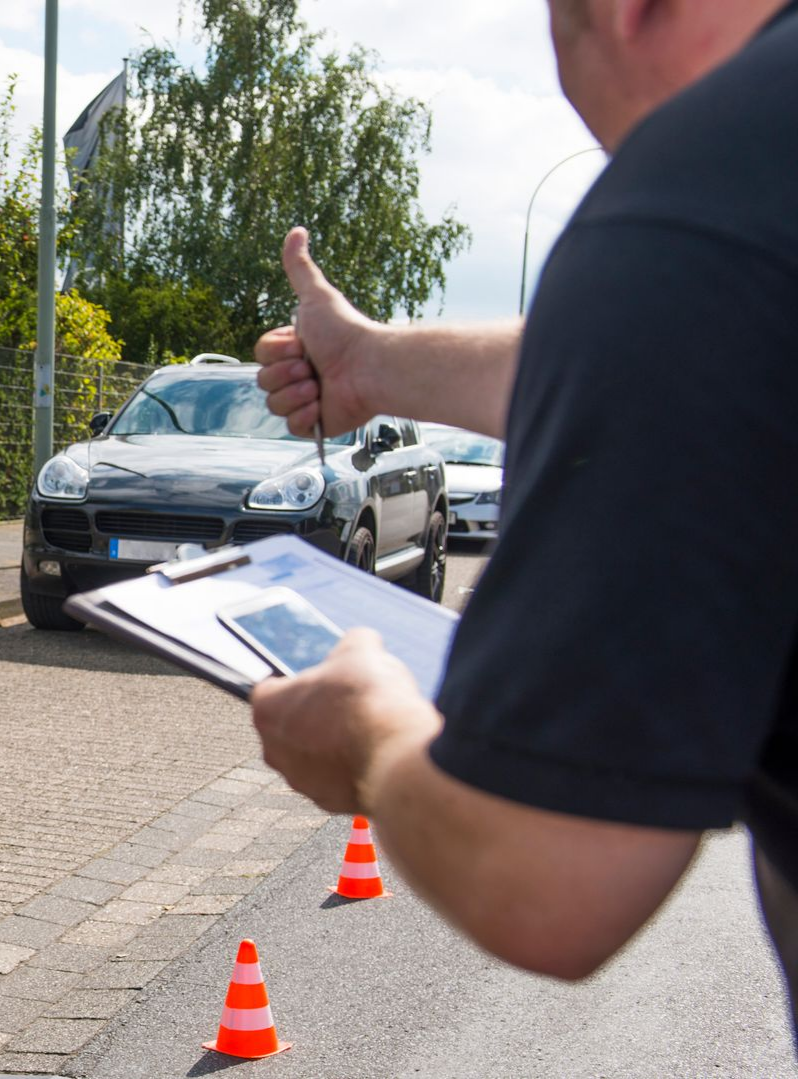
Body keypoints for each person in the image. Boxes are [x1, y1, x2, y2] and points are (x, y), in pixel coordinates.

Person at [251, 0, 798, 1043]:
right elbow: (689, 360)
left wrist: (367, 733)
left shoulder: (708, 180)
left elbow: (550, 877)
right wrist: (371, 365)